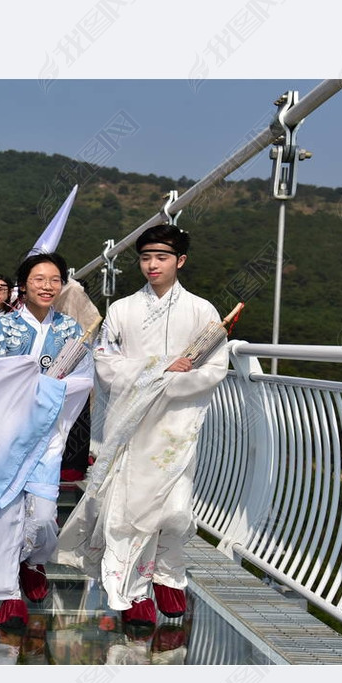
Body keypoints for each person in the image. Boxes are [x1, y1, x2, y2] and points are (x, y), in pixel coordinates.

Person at [56, 224, 229, 625]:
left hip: (176, 422)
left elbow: (215, 366)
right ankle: (132, 591)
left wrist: (167, 384)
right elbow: (105, 362)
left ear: (180, 261)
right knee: (129, 506)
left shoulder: (202, 311)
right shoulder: (122, 310)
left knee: (175, 507)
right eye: (146, 257)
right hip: (131, 422)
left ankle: (168, 573)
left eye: (162, 257)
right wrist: (161, 370)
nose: (152, 265)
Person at [0, 252, 93, 631]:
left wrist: (44, 389)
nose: (47, 286)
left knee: (44, 518)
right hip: (4, 435)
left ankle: (31, 561)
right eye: (39, 279)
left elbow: (84, 379)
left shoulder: (71, 332)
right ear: (23, 285)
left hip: (45, 438)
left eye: (55, 279)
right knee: (4, 514)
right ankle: (8, 593)